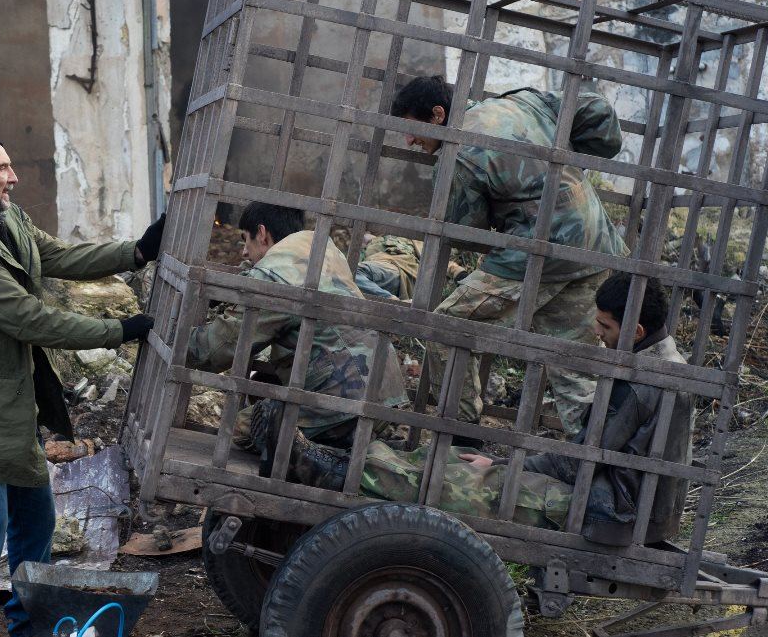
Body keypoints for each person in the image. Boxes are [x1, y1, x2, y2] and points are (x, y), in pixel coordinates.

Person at [0, 133, 164, 637]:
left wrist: (136, 252)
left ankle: (28, 626)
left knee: (35, 521)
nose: (13, 178)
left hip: (10, 397)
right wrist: (117, 330)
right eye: (2, 169)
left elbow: (59, 256)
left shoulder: (6, 219)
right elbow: (27, 318)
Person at [292, 272, 693, 544]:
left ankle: (337, 472)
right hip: (618, 497)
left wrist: (503, 465)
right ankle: (348, 462)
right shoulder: (662, 361)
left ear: (636, 331)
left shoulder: (641, 383)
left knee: (460, 482)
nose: (597, 333)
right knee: (454, 460)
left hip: (611, 510)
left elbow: (577, 463)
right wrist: (501, 462)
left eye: (605, 327)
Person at [395, 76, 628, 437]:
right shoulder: (519, 101)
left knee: (446, 328)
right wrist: (567, 163)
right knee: (573, 364)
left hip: (538, 252)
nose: (409, 141)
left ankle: (462, 435)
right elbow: (597, 111)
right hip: (596, 241)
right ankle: (594, 450)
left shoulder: (458, 153)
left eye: (412, 129)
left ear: (438, 115)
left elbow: (466, 229)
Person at [186, 202, 407, 463]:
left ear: (262, 233)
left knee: (242, 427)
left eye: (245, 239)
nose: (244, 251)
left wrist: (170, 335)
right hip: (385, 390)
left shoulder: (274, 276)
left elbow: (214, 350)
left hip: (344, 401)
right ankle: (358, 444)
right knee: (266, 387)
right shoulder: (322, 249)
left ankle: (335, 461)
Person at [355, 232, 467, 300]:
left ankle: (390, 300)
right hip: (376, 279)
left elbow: (434, 259)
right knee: (350, 278)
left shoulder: (402, 239)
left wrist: (458, 272)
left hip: (396, 268)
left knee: (353, 272)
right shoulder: (364, 252)